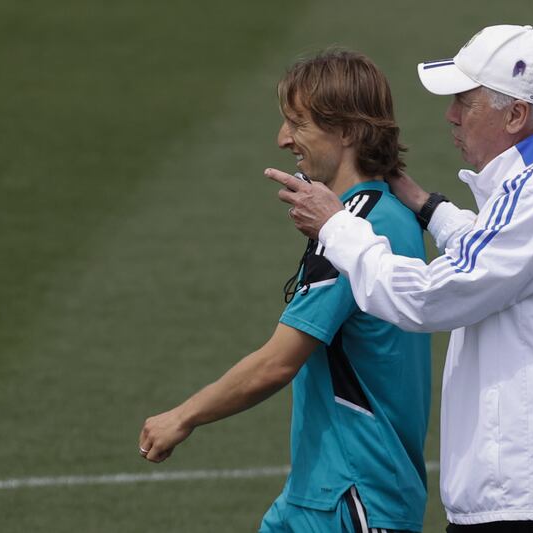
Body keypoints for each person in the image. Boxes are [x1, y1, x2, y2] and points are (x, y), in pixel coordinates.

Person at [266, 25, 533, 533]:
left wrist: (337, 226)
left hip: (530, 491)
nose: (451, 115)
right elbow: (494, 254)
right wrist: (427, 205)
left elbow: (430, 298)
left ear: (516, 114)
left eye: (465, 101)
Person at [140, 49, 432, 533]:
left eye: (298, 123)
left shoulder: (356, 228)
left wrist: (182, 416)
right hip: (319, 495)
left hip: (352, 501)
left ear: (347, 131)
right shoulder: (389, 216)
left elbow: (279, 361)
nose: (282, 139)